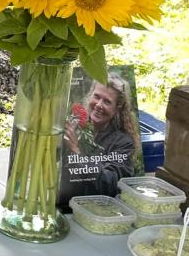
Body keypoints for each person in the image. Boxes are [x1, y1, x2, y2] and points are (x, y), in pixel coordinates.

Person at [59, 73, 142, 205]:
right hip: (62, 203)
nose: (99, 105)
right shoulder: (75, 126)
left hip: (95, 211)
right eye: (96, 96)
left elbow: (111, 184)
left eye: (107, 101)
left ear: (117, 109)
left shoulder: (123, 142)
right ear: (90, 96)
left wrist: (76, 153)